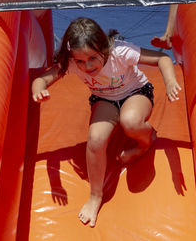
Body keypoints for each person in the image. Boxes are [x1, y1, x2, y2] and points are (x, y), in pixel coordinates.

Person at [32, 17, 181, 228]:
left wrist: (170, 82)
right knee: (95, 140)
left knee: (129, 121)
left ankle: (145, 142)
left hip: (136, 92)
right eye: (81, 61)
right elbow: (44, 78)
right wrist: (38, 89)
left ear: (104, 47)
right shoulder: (73, 63)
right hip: (104, 99)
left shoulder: (120, 52)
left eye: (93, 58)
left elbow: (161, 59)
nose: (88, 66)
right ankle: (95, 196)